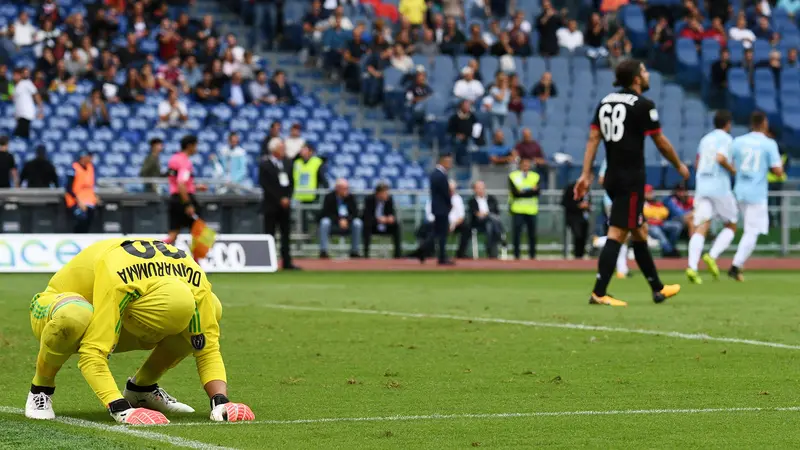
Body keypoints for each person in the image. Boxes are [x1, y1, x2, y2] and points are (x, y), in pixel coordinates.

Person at [24, 238, 254, 424]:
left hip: (124, 307)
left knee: (213, 308)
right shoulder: (119, 281)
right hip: (56, 308)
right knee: (74, 316)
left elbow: (207, 349)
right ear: (132, 313)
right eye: (152, 331)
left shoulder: (197, 285)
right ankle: (41, 390)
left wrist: (220, 400)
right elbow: (92, 356)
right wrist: (120, 408)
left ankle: (141, 389)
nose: (155, 341)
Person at [574, 59, 688, 307]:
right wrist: (679, 165)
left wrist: (585, 174)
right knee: (618, 232)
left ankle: (657, 289)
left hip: (612, 177)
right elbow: (660, 141)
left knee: (639, 230)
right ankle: (599, 292)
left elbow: (594, 138)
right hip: (631, 179)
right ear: (636, 78)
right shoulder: (643, 105)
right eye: (645, 71)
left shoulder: (605, 102)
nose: (648, 75)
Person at [728, 111, 784, 281]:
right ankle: (736, 265)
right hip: (757, 193)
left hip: (738, 190)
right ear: (764, 123)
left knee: (731, 226)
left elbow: (729, 162)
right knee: (752, 231)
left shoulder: (738, 141)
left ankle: (714, 256)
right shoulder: (769, 144)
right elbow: (778, 171)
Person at [685, 110, 738, 284]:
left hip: (702, 185)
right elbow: (721, 158)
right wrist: (732, 170)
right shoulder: (727, 139)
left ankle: (692, 267)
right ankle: (712, 255)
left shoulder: (705, 139)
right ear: (728, 124)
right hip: (719, 186)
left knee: (702, 226)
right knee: (731, 224)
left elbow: (698, 162)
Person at [259, 138, 300, 270]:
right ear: (274, 149)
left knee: (286, 235)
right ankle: (268, 261)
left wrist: (287, 197)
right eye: (281, 148)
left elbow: (292, 182)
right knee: (269, 234)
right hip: (271, 205)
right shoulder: (265, 164)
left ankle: (287, 262)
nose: (283, 150)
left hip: (285, 206)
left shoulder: (288, 163)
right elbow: (266, 185)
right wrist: (279, 199)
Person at [165, 135, 207, 246]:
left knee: (172, 235)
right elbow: (181, 183)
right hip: (184, 198)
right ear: (189, 146)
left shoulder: (174, 159)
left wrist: (195, 187)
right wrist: (188, 204)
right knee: (200, 231)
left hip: (174, 198)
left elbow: (176, 180)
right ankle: (197, 262)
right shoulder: (185, 162)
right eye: (195, 146)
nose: (196, 149)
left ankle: (155, 253)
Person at [422, 153, 454, 265]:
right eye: (449, 162)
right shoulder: (440, 175)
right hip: (441, 208)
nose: (450, 164)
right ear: (443, 162)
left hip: (438, 207)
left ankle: (423, 251)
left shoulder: (436, 174)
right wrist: (449, 204)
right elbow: (445, 193)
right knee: (442, 233)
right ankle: (441, 257)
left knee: (437, 232)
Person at [318, 178, 363, 258]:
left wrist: (346, 220)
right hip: (333, 223)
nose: (346, 190)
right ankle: (323, 251)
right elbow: (326, 213)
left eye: (347, 188)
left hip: (348, 224)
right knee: (324, 222)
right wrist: (339, 220)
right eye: (344, 188)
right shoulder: (329, 197)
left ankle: (354, 251)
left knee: (357, 223)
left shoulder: (351, 197)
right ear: (337, 188)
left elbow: (355, 214)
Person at [458, 180, 502, 259]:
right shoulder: (471, 201)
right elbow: (475, 213)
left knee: (490, 224)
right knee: (492, 221)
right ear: (474, 190)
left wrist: (486, 214)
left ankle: (490, 247)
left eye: (482, 188)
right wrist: (485, 214)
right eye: (478, 188)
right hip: (478, 223)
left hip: (490, 223)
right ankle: (499, 238)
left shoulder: (491, 199)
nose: (481, 190)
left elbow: (497, 212)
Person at [508, 156, 540, 259]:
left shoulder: (535, 176)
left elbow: (537, 192)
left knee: (532, 235)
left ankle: (532, 256)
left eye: (528, 164)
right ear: (520, 165)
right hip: (517, 209)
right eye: (524, 164)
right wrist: (530, 189)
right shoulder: (513, 176)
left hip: (531, 210)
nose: (526, 166)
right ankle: (516, 256)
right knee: (517, 234)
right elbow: (515, 193)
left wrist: (523, 191)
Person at [362, 182, 402, 259]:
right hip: (373, 225)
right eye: (385, 192)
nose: (386, 194)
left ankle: (398, 254)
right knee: (366, 226)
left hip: (386, 225)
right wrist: (378, 219)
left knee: (396, 225)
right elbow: (366, 216)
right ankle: (366, 254)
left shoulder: (389, 200)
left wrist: (390, 218)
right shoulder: (369, 200)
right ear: (379, 193)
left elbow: (392, 214)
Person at [292, 143, 327, 231]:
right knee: (301, 222)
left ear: (310, 151)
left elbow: (322, 179)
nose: (301, 151)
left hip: (313, 196)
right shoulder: (297, 162)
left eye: (304, 149)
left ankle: (316, 236)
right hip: (299, 197)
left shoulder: (317, 162)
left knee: (316, 219)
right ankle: (304, 238)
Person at [64, 151, 97, 233]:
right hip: (75, 201)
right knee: (81, 219)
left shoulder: (90, 167)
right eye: (89, 157)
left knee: (91, 219)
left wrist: (95, 196)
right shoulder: (74, 168)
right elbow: (68, 188)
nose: (91, 159)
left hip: (88, 201)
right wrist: (78, 202)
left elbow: (90, 185)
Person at [562, 179, 591, 259]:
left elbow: (588, 202)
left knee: (584, 237)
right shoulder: (571, 188)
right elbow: (564, 202)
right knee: (578, 235)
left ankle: (580, 256)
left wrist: (588, 207)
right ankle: (577, 256)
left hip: (584, 217)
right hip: (573, 217)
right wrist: (578, 206)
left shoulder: (587, 189)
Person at [13, 68, 44, 139]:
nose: (15, 77)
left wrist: (41, 110)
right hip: (20, 115)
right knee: (23, 135)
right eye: (14, 75)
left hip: (26, 114)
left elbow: (36, 95)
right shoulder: (17, 86)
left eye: (16, 75)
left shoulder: (26, 83)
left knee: (19, 134)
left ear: (20, 75)